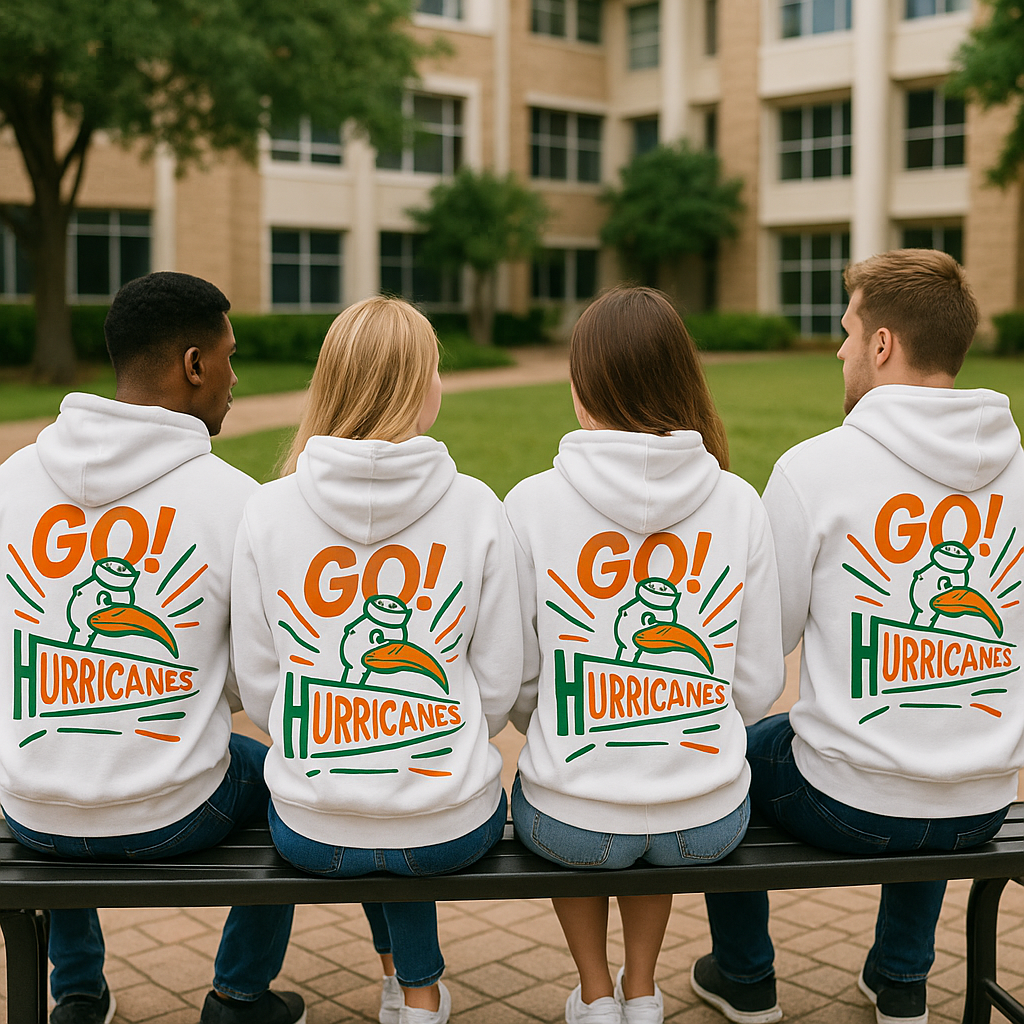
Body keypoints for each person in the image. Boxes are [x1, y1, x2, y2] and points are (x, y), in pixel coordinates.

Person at [693, 249, 1024, 1024]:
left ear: (882, 344)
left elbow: (765, 642)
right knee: (936, 728)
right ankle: (901, 979)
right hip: (984, 802)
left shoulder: (814, 468)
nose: (839, 351)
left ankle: (745, 975)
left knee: (724, 754)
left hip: (844, 805)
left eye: (847, 332)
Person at [0, 272, 301, 1024]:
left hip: (30, 812)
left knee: (62, 751)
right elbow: (251, 681)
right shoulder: (235, 500)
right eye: (230, 358)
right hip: (175, 812)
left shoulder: (12, 480)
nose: (235, 378)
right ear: (194, 365)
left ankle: (77, 992)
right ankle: (238, 995)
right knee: (293, 783)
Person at [230, 296, 523, 1024]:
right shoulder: (477, 506)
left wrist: (340, 737)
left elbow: (259, 686)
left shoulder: (267, 509)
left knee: (363, 792)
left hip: (313, 832)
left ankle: (407, 984)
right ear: (419, 387)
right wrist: (429, 731)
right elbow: (497, 682)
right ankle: (417, 993)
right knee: (398, 800)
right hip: (452, 826)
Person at [503, 286, 786, 1024]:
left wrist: (565, 723)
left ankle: (596, 992)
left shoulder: (528, 503)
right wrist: (684, 719)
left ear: (582, 386)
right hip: (706, 822)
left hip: (569, 821)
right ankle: (642, 988)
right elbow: (759, 681)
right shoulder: (738, 500)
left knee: (590, 803)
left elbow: (520, 681)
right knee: (657, 801)